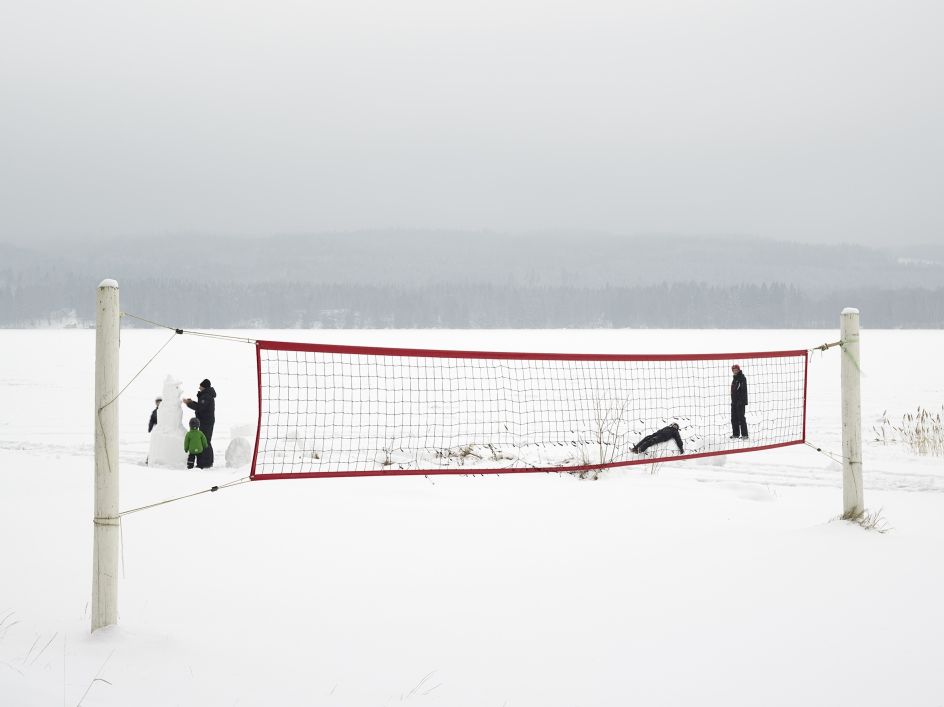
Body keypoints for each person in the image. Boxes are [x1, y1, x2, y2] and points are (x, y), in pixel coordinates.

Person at [184, 378, 216, 468]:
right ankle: (206, 462)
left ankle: (207, 462)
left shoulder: (207, 396)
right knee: (205, 440)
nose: (199, 387)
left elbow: (199, 407)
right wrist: (191, 402)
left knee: (206, 441)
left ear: (204, 387)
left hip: (206, 422)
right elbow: (200, 405)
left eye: (200, 386)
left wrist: (188, 404)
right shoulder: (205, 395)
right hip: (205, 421)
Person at [730, 364, 749, 439]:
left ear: (738, 370)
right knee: (734, 418)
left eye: (736, 370)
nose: (735, 371)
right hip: (734, 402)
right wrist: (733, 401)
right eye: (733, 370)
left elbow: (743, 391)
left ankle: (745, 435)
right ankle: (736, 434)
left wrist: (742, 401)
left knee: (741, 418)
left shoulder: (742, 378)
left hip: (740, 402)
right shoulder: (735, 378)